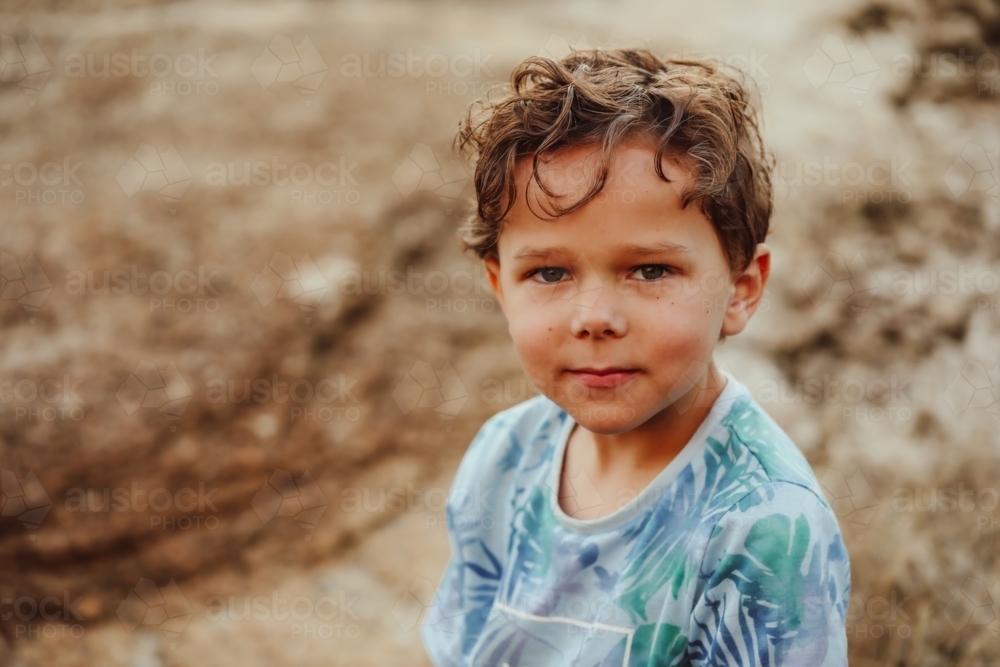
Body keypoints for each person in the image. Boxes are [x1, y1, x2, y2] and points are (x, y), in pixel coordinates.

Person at [420, 47, 850, 666]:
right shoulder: (503, 457)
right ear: (500, 288)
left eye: (650, 269)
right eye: (548, 273)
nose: (595, 317)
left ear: (741, 288)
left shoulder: (764, 530)